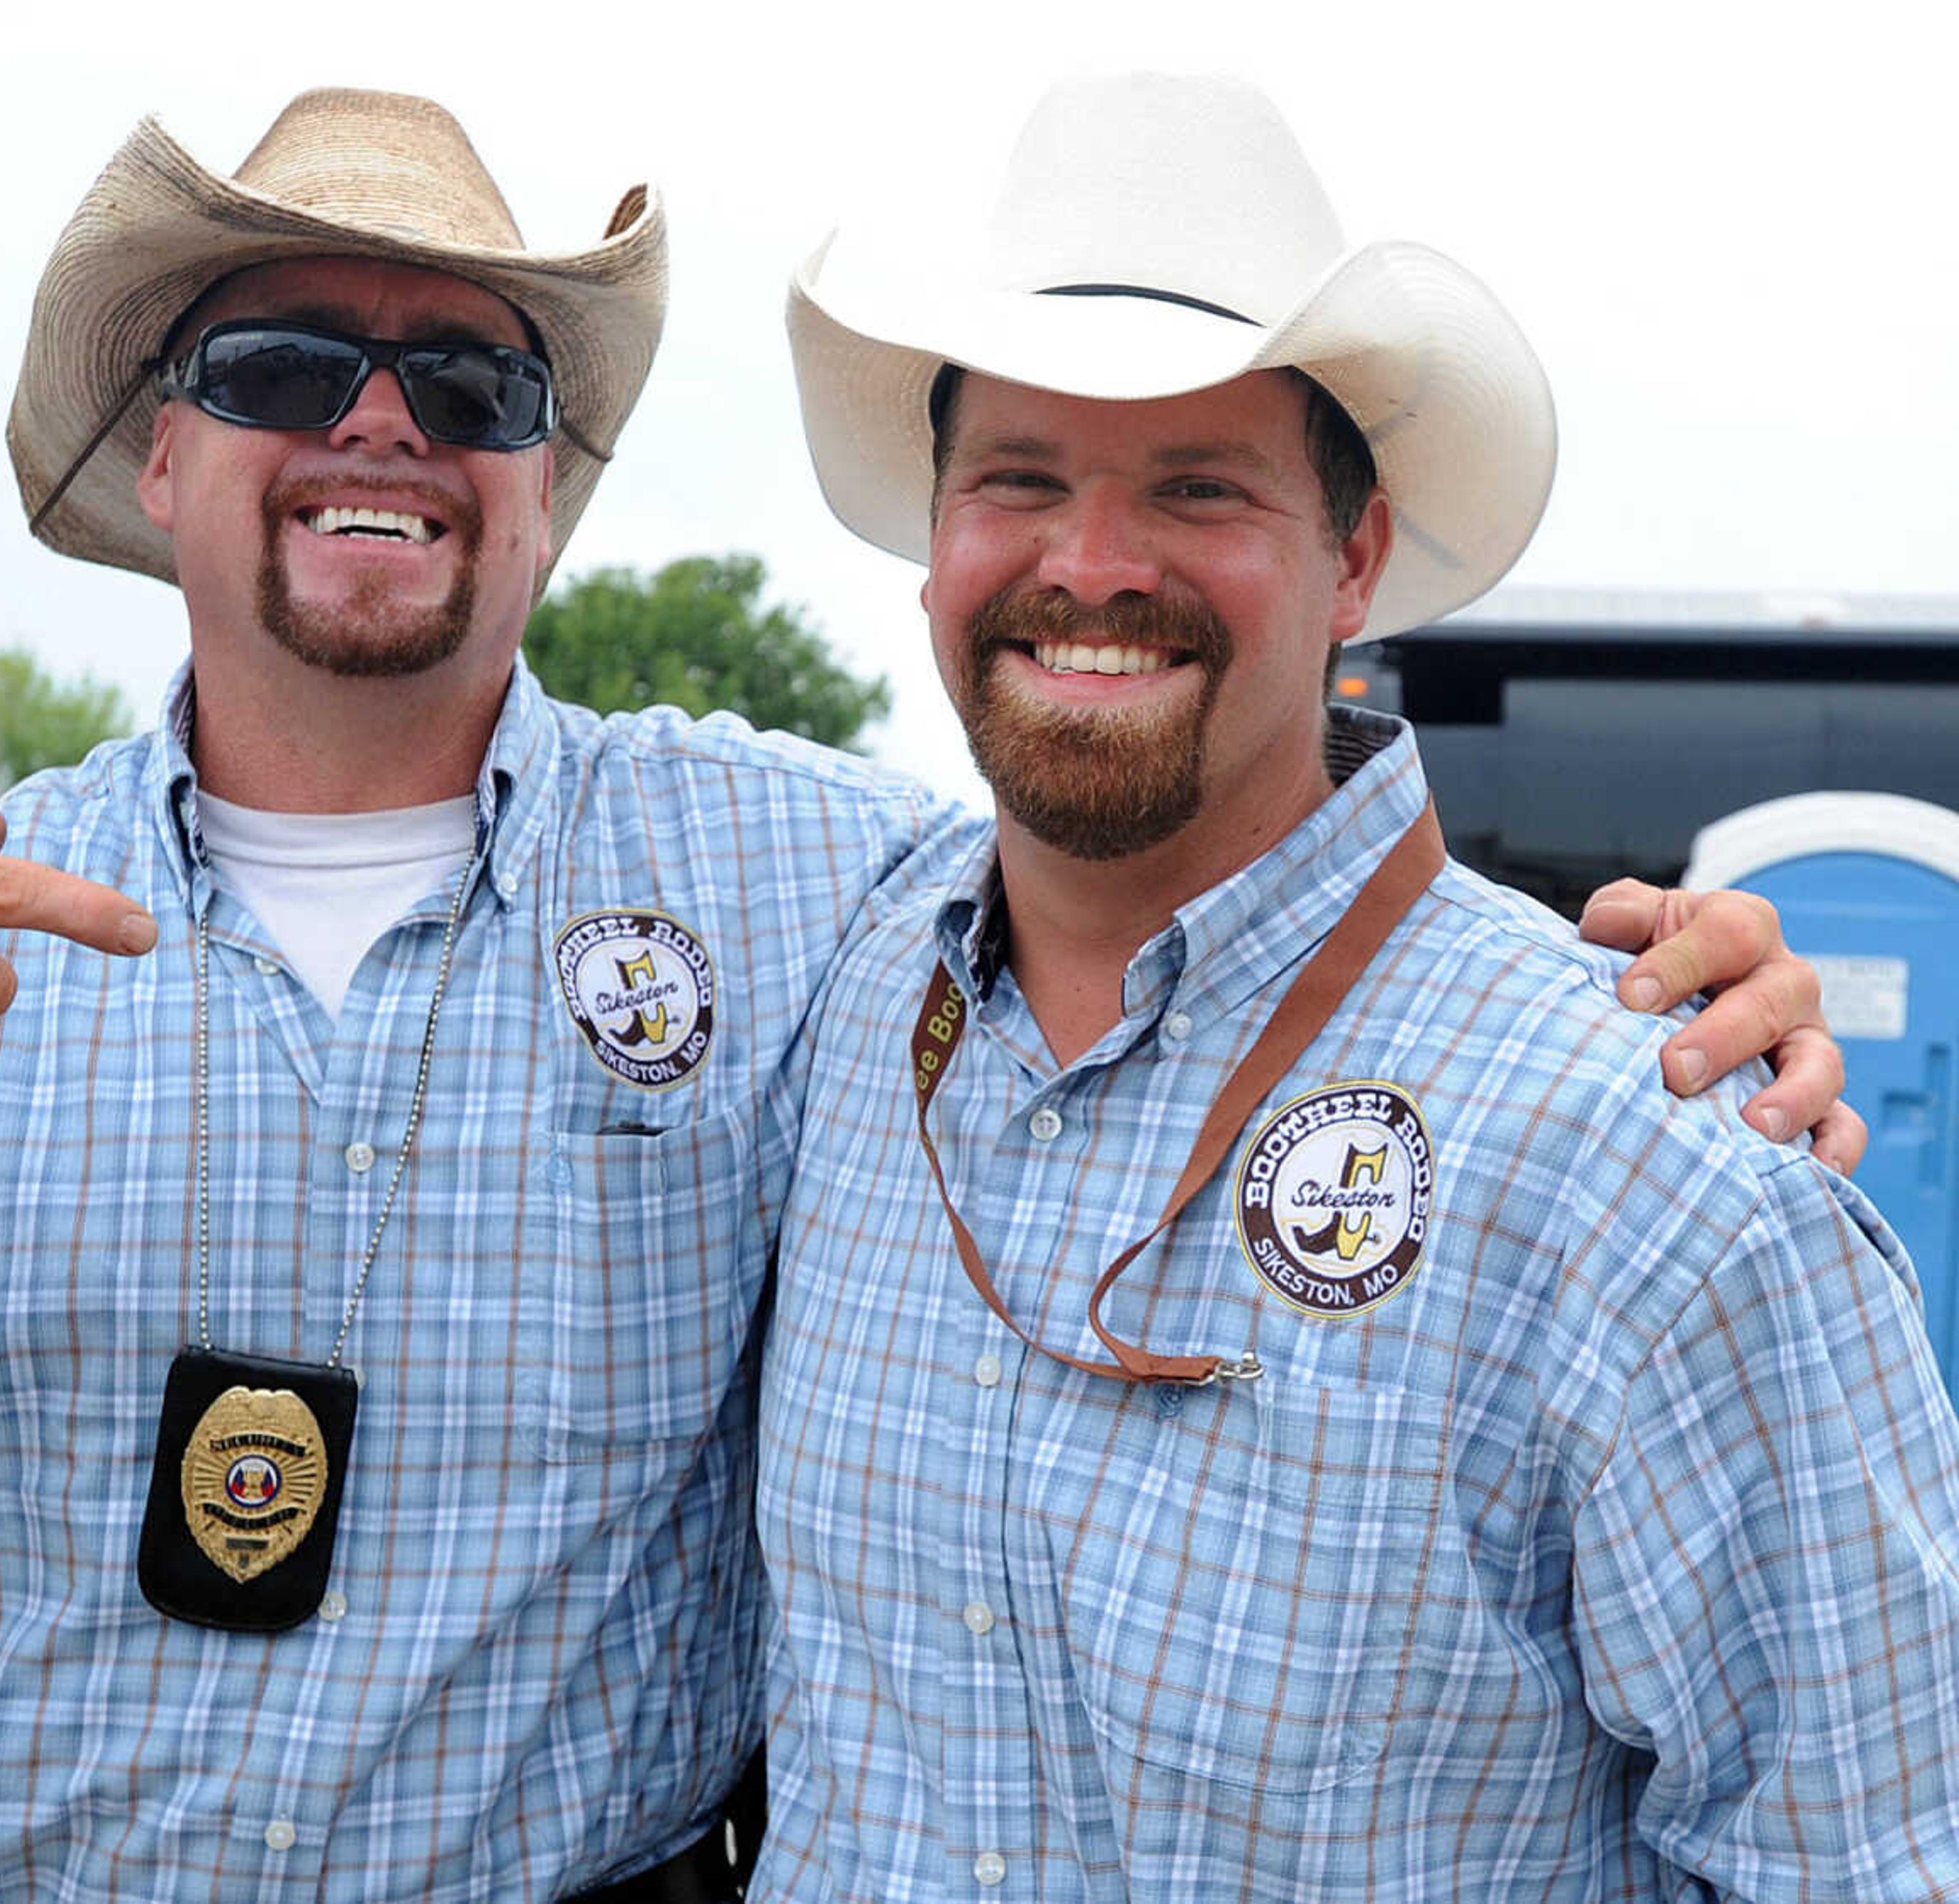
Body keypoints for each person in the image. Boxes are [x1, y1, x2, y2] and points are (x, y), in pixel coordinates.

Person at [0, 87, 1850, 1903]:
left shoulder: (826, 913)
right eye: (279, 363)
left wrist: (1637, 1007)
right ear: (160, 458)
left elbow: (1174, 878)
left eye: (470, 378)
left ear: (548, 481)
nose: (379, 422)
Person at [753, 71, 1959, 1899]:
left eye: (1197, 488)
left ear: (1358, 561)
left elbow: (1862, 1862)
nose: (1091, 564)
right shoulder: (827, 981)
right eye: (1019, 480)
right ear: (935, 546)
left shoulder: (1659, 1175)